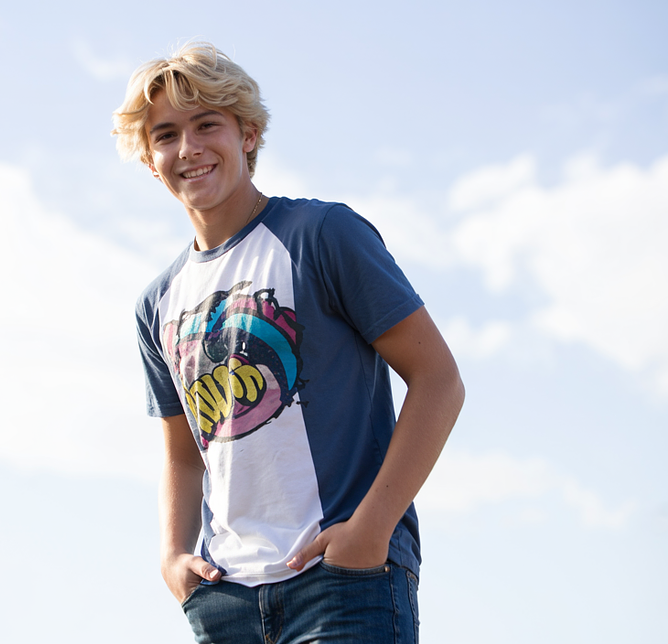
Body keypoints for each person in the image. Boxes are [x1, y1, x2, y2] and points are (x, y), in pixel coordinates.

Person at [113, 42, 464, 644]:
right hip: (224, 599)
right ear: (150, 160)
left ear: (248, 134)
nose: (189, 148)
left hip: (343, 581)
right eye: (166, 134)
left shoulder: (324, 235)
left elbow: (439, 380)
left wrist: (371, 529)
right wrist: (174, 558)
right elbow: (182, 451)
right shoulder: (157, 304)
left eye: (207, 124)